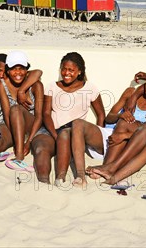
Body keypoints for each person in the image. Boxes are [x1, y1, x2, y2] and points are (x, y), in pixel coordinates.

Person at [76, 68, 146, 187]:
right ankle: (102, 169)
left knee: (125, 123)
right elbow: (109, 118)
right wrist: (121, 114)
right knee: (120, 121)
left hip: (129, 142)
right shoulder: (130, 93)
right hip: (111, 135)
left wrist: (124, 135)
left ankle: (107, 167)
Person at [41, 52, 105, 185]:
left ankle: (77, 176)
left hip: (77, 131)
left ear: (79, 72)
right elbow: (46, 113)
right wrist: (54, 134)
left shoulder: (90, 88)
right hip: (57, 130)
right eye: (64, 69)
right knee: (63, 135)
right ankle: (60, 177)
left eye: (71, 70)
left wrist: (99, 132)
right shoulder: (52, 87)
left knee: (66, 134)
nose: (66, 73)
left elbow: (101, 114)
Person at [0, 51, 44, 170]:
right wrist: (17, 141)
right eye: (14, 69)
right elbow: (6, 115)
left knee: (16, 109)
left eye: (21, 68)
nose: (18, 73)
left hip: (32, 128)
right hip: (15, 128)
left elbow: (39, 117)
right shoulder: (3, 85)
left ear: (27, 70)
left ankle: (19, 158)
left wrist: (28, 142)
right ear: (8, 71)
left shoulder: (36, 85)